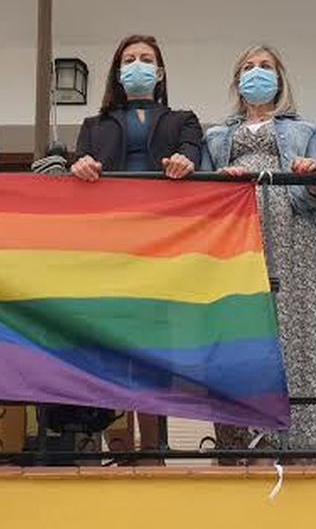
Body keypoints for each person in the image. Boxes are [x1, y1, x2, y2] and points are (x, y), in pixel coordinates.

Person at [201, 45, 316, 459]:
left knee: (298, 321)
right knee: (237, 325)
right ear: (236, 81)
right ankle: (239, 440)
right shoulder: (216, 136)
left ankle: (304, 441)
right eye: (248, 67)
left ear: (279, 81)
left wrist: (310, 173)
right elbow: (200, 189)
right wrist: (219, 182)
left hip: (292, 231)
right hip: (234, 234)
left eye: (266, 67)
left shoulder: (304, 131)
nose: (257, 73)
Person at [70, 33, 202, 461]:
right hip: (110, 245)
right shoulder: (94, 125)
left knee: (154, 344)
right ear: (118, 72)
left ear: (160, 72)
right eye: (130, 59)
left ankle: (154, 447)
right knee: (110, 339)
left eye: (147, 59)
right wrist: (82, 166)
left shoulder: (183, 118)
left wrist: (186, 162)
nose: (138, 65)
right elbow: (78, 170)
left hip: (163, 243)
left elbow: (193, 154)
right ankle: (111, 443)